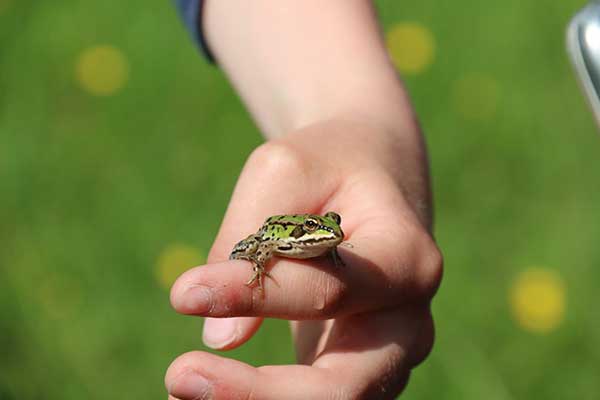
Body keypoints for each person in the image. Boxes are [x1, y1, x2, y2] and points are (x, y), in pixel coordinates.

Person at [166, 1, 443, 399]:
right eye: (322, 227)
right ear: (305, 230)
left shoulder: (327, 242)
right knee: (245, 251)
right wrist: (365, 123)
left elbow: (329, 238)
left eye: (332, 228)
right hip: (272, 234)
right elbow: (264, 241)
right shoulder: (289, 237)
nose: (332, 233)